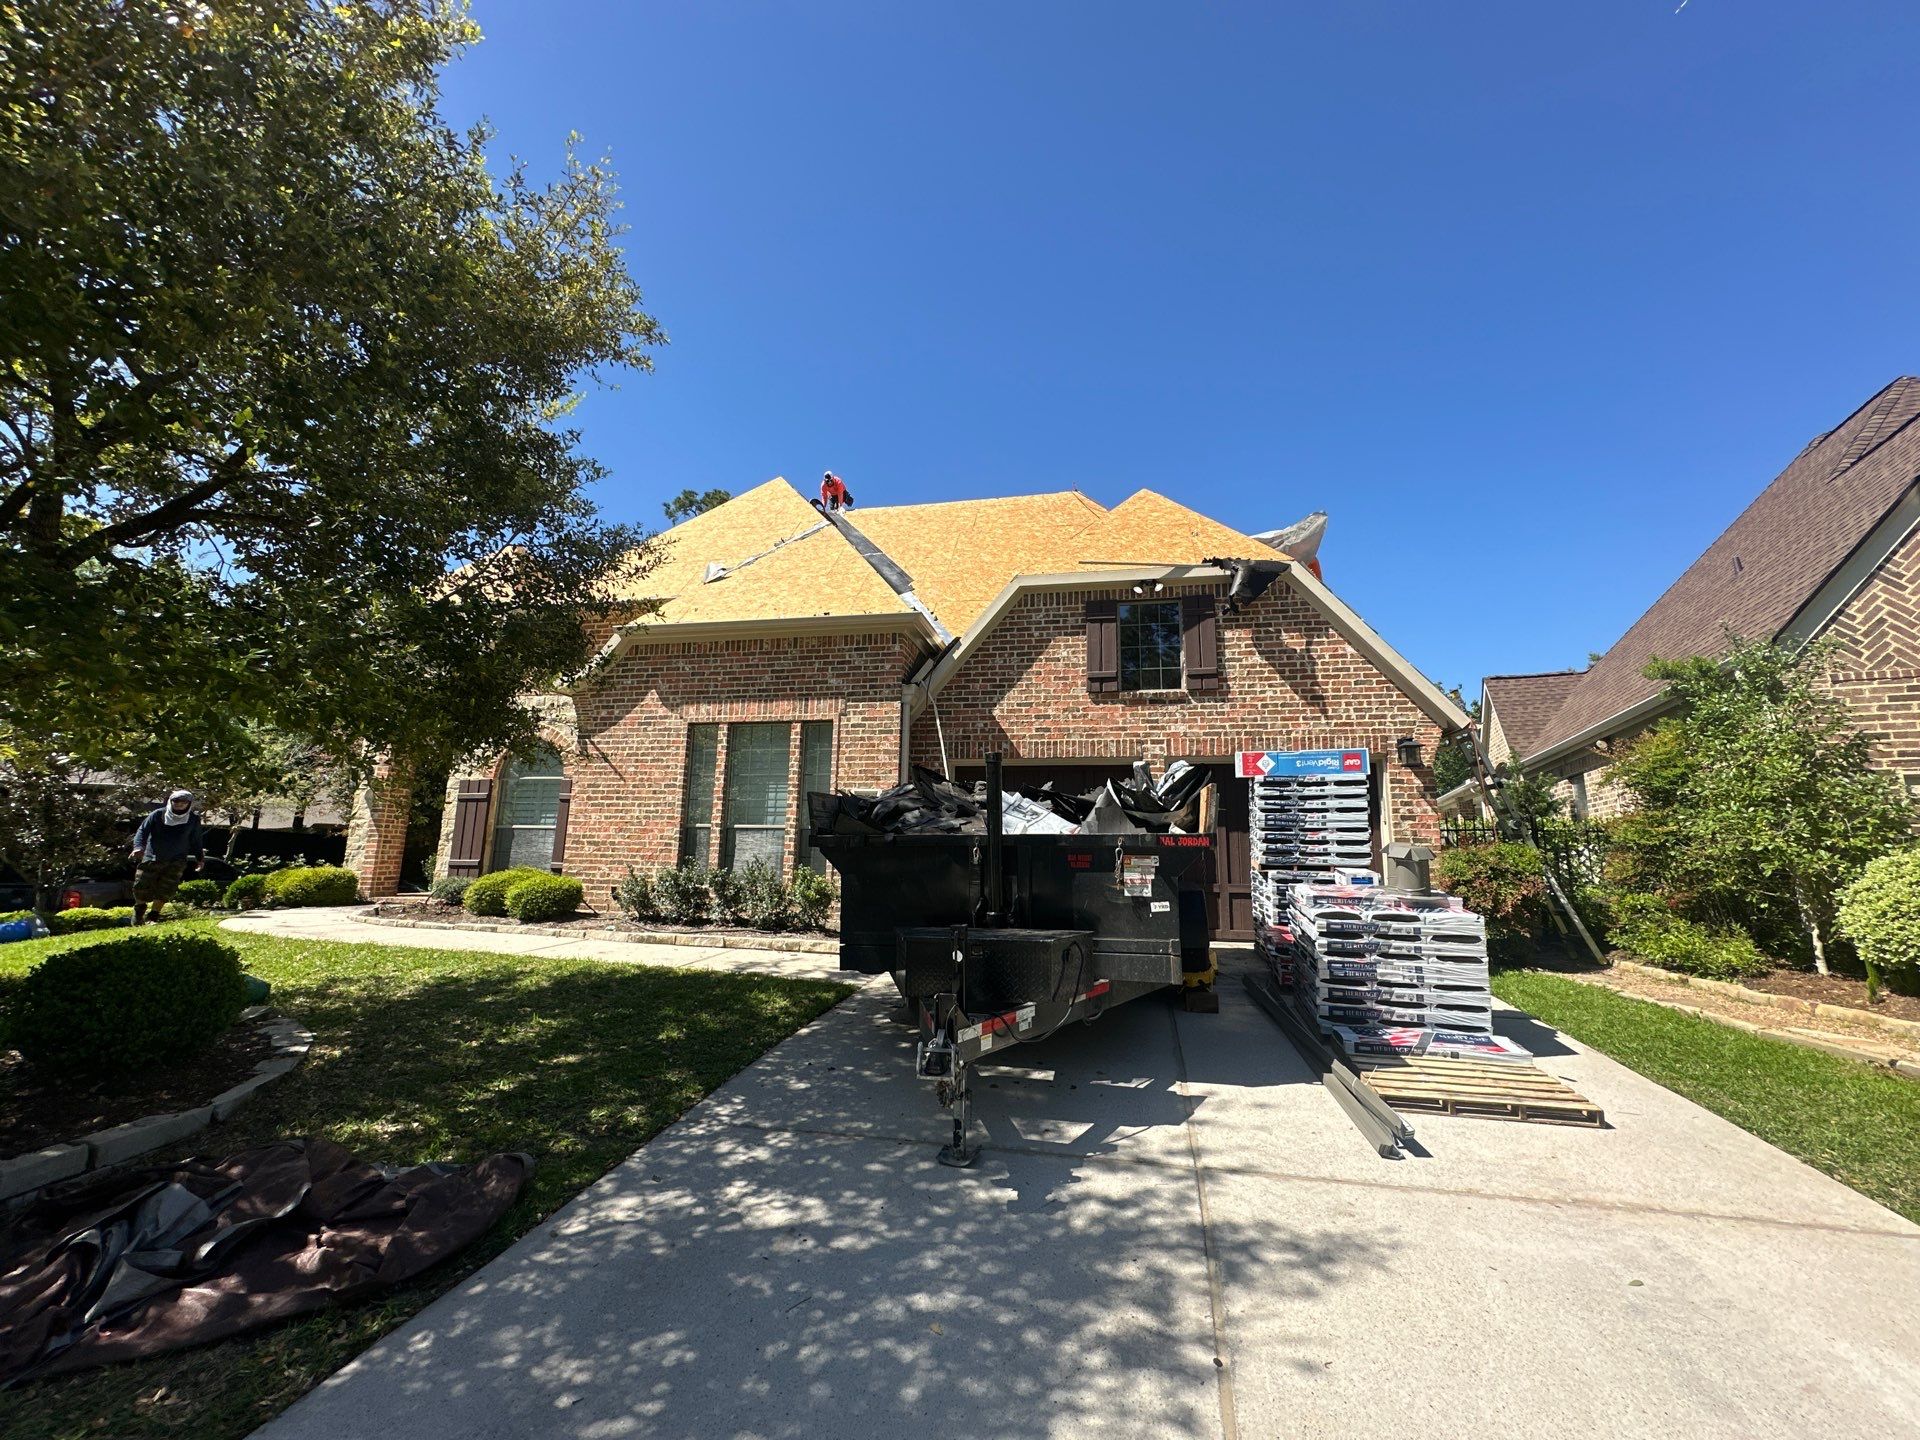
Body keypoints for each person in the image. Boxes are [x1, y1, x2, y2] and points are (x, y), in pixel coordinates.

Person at [129, 789, 206, 925]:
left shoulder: (193, 820)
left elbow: (196, 840)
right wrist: (138, 847)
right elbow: (142, 831)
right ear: (171, 801)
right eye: (176, 801)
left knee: (166, 889)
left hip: (177, 860)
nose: (179, 804)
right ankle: (139, 911)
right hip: (152, 857)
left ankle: (153, 917)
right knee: (141, 886)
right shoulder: (157, 814)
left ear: (189, 804)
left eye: (183, 802)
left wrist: (200, 859)